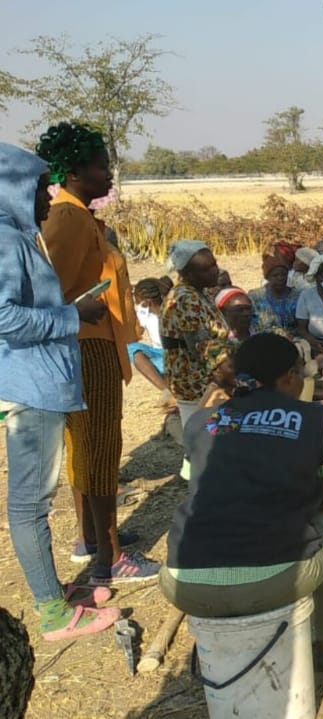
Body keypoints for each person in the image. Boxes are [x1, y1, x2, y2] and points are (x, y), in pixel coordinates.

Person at [161, 334, 323, 671]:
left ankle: (214, 644)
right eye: (300, 373)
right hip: (273, 581)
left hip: (184, 582)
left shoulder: (199, 421)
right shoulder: (315, 419)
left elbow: (195, 487)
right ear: (290, 377)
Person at [0, 142, 120, 640]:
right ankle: (52, 612)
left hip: (37, 379)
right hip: (31, 386)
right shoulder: (6, 241)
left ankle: (54, 588)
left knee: (34, 498)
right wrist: (74, 316)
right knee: (29, 504)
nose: (49, 196)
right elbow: (4, 316)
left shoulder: (18, 237)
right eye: (38, 187)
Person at [37, 122, 158, 585]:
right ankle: (109, 559)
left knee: (87, 449)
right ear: (72, 172)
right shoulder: (68, 219)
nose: (107, 175)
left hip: (92, 343)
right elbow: (55, 293)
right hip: (87, 347)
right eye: (99, 167)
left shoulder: (78, 215)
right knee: (100, 450)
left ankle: (92, 537)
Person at [161, 240, 234, 431]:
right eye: (205, 269)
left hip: (206, 379)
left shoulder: (198, 292)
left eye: (214, 264)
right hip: (197, 383)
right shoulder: (186, 299)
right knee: (203, 439)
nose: (215, 271)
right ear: (187, 273)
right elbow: (202, 348)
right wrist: (229, 375)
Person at [128, 278, 169, 394]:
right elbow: (135, 336)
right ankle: (166, 392)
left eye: (138, 302)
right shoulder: (146, 314)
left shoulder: (170, 312)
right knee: (132, 349)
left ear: (147, 302)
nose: (137, 305)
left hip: (175, 355)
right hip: (160, 353)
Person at [250, 253, 302, 336]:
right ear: (267, 277)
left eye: (283, 274)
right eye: (275, 275)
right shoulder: (255, 296)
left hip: (294, 340)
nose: (280, 278)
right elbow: (252, 324)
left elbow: (303, 326)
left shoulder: (298, 295)